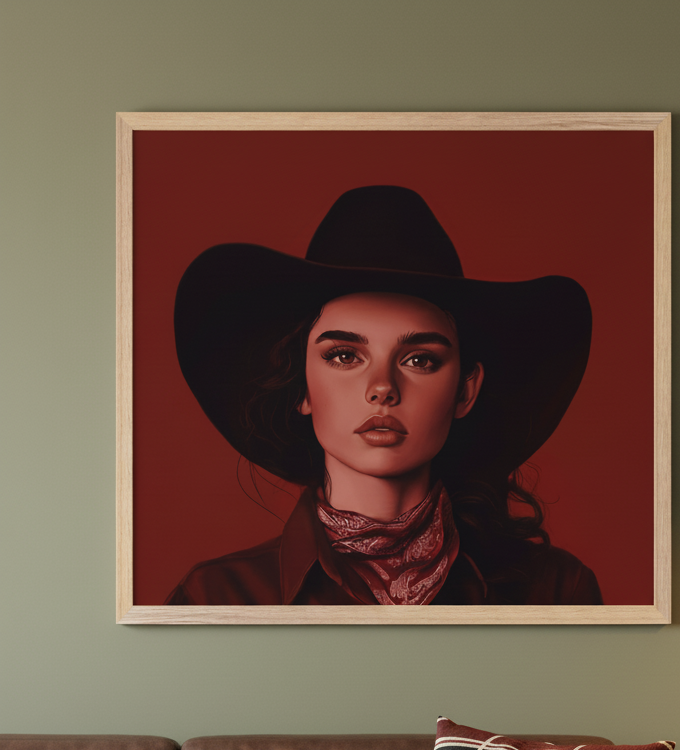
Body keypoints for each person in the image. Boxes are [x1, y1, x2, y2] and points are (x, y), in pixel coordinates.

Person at [166, 185, 601, 605]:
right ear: (302, 388)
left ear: (466, 390)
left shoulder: (556, 589)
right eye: (343, 356)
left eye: (420, 360)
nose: (382, 389)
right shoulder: (218, 598)